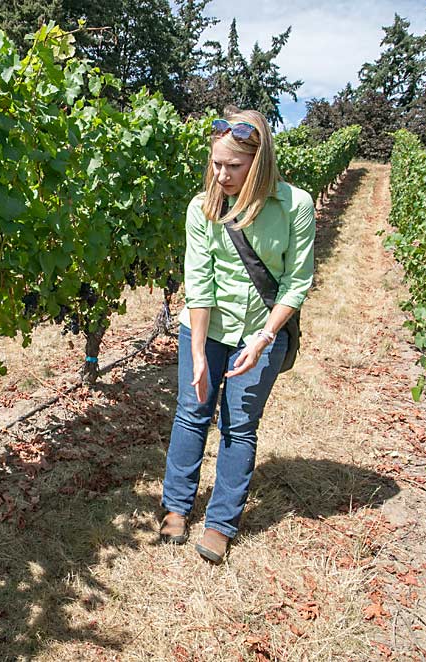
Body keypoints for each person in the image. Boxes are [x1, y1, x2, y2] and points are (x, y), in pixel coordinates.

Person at [159, 107, 315, 562]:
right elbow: (199, 281)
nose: (221, 174)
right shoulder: (202, 207)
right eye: (216, 163)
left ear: (259, 162)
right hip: (206, 328)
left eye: (233, 166)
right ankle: (176, 507)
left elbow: (297, 281)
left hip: (262, 330)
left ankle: (221, 522)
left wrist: (264, 338)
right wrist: (200, 353)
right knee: (192, 412)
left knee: (240, 426)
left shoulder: (295, 205)